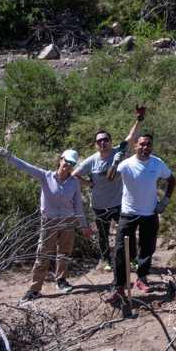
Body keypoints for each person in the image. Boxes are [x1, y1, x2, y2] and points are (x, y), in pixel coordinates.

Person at [0, 146, 91, 301]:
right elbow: (26, 167)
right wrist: (8, 156)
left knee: (64, 252)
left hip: (68, 221)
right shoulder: (46, 176)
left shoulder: (74, 183)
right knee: (43, 254)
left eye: (72, 163)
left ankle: (61, 280)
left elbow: (78, 205)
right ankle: (35, 288)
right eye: (66, 161)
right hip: (49, 221)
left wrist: (84, 226)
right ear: (60, 159)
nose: (68, 165)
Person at [104, 134, 176, 302]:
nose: (145, 148)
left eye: (148, 145)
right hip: (128, 213)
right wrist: (115, 161)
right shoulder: (127, 164)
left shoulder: (157, 163)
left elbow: (172, 180)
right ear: (135, 145)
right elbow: (109, 177)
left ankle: (141, 278)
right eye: (142, 144)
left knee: (147, 248)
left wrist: (164, 201)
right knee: (121, 250)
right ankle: (119, 287)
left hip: (150, 213)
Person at [72, 107, 144, 271]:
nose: (103, 143)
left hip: (120, 203)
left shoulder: (119, 151)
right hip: (99, 205)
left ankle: (132, 260)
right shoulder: (91, 161)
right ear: (96, 144)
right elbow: (74, 175)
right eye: (99, 141)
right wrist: (89, 184)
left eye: (105, 140)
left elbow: (131, 137)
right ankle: (105, 260)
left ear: (111, 141)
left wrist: (139, 120)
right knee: (103, 235)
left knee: (128, 232)